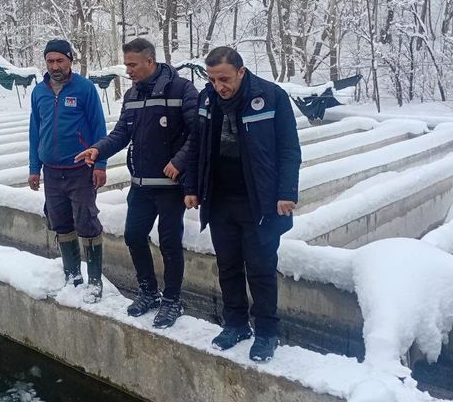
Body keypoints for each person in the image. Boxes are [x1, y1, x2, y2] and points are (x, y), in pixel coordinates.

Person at [75, 38, 199, 328]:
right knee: (133, 236)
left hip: (170, 187)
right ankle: (148, 292)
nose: (128, 70)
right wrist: (98, 149)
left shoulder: (181, 90)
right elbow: (121, 133)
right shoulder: (132, 95)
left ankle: (172, 300)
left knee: (169, 243)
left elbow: (199, 132)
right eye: (126, 64)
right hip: (141, 185)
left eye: (132, 65)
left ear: (150, 61)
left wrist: (179, 161)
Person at [191, 46, 301, 362]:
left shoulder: (271, 97)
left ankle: (266, 332)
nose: (218, 86)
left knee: (261, 269)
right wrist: (192, 187)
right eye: (212, 80)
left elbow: (289, 149)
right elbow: (198, 145)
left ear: (241, 71)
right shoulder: (207, 99)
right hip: (220, 199)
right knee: (227, 266)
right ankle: (236, 324)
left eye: (224, 79)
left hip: (259, 202)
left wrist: (286, 192)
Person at [29, 39, 108, 303]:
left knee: (86, 221)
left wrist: (100, 164)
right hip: (52, 171)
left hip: (80, 169)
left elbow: (98, 127)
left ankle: (94, 281)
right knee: (60, 222)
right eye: (50, 61)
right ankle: (72, 275)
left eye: (60, 61)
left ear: (70, 61)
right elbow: (35, 131)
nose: (55, 66)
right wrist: (34, 168)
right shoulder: (39, 92)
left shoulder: (84, 89)